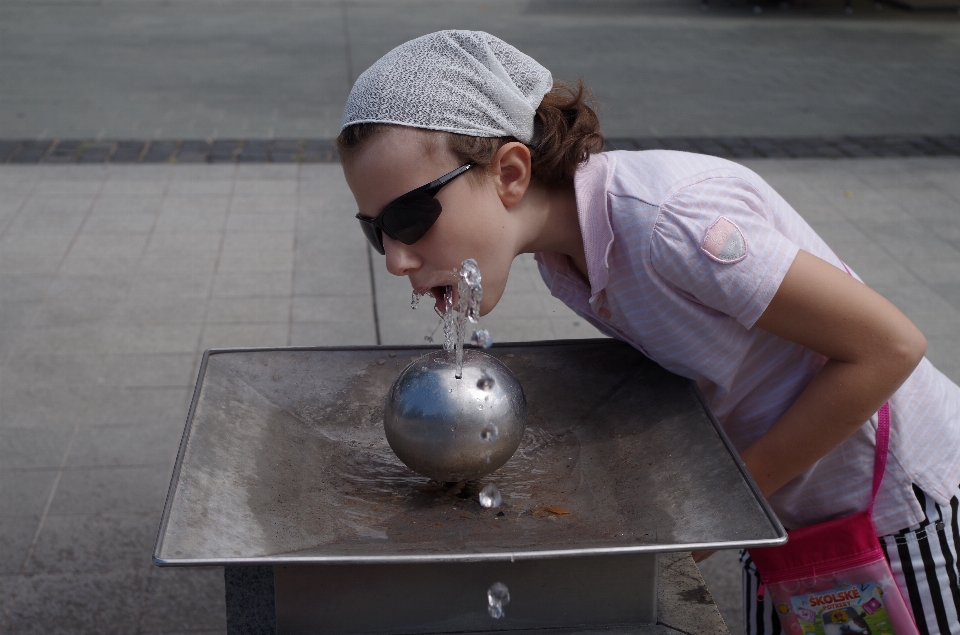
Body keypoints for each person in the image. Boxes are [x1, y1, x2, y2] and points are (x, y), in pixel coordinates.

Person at [335, 30, 960, 634]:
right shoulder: (565, 258)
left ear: (509, 173)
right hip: (787, 517)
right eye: (376, 231)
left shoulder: (671, 223)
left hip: (903, 510)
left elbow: (889, 347)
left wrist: (713, 515)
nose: (394, 258)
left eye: (410, 217)